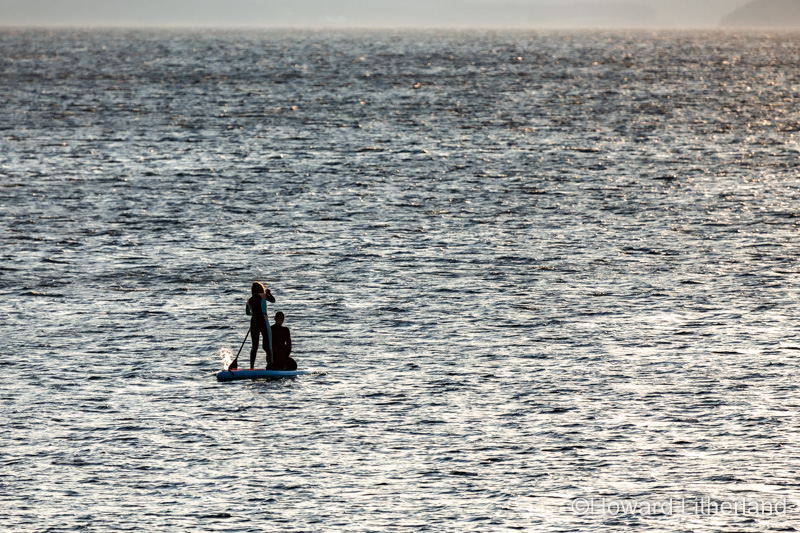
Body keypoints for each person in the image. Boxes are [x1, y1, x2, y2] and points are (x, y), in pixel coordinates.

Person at [246, 281, 275, 369]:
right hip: (263, 321)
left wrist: (255, 314)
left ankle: (251, 367)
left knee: (254, 346)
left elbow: (248, 313)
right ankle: (270, 365)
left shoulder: (249, 300)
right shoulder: (264, 296)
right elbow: (273, 300)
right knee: (268, 346)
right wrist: (269, 293)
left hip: (254, 321)